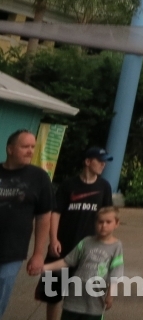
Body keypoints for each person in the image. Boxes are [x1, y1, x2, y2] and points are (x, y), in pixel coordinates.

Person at [36, 147, 114, 320]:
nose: (103, 164)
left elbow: (109, 216)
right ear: (87, 162)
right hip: (63, 247)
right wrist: (54, 238)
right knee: (53, 294)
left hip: (90, 251)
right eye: (99, 160)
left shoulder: (104, 187)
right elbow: (55, 213)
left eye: (105, 161)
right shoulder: (68, 185)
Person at [0, 129, 54, 317]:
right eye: (25, 146)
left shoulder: (39, 178)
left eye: (33, 147)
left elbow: (43, 217)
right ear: (10, 149)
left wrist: (38, 254)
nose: (31, 151)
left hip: (11, 252)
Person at [42, 206, 124, 320]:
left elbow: (115, 273)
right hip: (74, 299)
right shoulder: (86, 242)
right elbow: (68, 261)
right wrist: (44, 267)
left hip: (95, 302)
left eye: (108, 222)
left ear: (116, 224)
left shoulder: (116, 246)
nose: (103, 225)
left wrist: (111, 294)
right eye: (100, 222)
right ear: (95, 223)